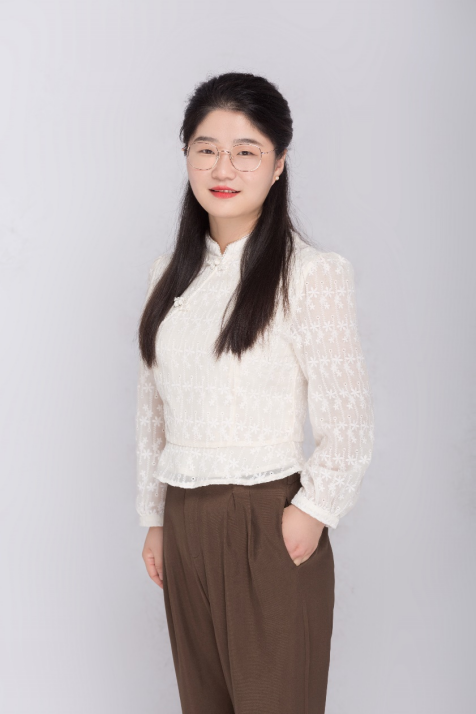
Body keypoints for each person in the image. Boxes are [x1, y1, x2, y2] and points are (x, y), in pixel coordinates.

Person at [135, 71, 375, 714]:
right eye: (206, 148)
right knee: (204, 703)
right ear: (186, 154)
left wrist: (313, 510)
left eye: (246, 151)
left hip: (268, 515)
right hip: (184, 518)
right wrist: (156, 518)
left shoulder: (310, 274)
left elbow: (348, 417)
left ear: (278, 164)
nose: (224, 168)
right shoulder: (169, 276)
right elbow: (152, 409)